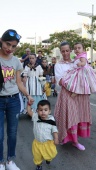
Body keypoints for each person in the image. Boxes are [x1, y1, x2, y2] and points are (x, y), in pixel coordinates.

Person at [0, 29, 34, 170]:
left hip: (14, 100)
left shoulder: (16, 62)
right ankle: (0, 162)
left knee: (12, 133)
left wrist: (27, 95)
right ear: (1, 41)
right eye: (8, 44)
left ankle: (10, 161)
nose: (10, 48)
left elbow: (19, 83)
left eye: (13, 46)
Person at [54, 42, 92, 151]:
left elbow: (85, 74)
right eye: (63, 51)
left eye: (67, 50)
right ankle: (72, 140)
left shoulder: (77, 61)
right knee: (70, 116)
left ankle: (75, 139)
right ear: (60, 52)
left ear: (71, 50)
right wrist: (73, 86)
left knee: (78, 116)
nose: (65, 53)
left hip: (79, 93)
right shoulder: (58, 65)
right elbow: (60, 81)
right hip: (67, 93)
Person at [27, 100, 58, 170]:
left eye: (45, 110)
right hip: (37, 143)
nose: (43, 112)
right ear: (37, 111)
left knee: (50, 154)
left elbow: (54, 130)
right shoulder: (35, 117)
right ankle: (39, 165)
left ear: (49, 111)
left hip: (48, 143)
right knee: (37, 156)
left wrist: (56, 138)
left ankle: (48, 159)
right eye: (41, 110)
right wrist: (29, 104)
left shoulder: (51, 120)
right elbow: (29, 112)